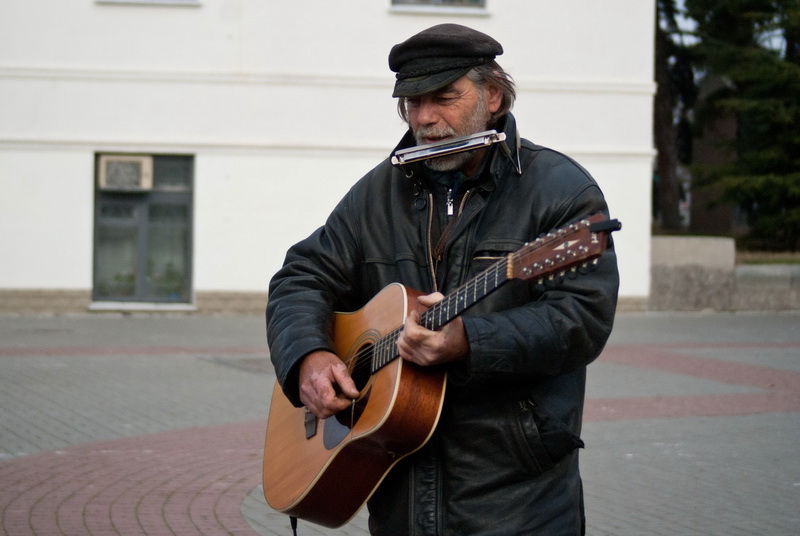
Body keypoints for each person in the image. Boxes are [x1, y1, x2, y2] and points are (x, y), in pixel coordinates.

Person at [266, 23, 619, 535]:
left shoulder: (560, 191)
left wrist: (469, 341)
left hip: (517, 498)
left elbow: (581, 319)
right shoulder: (376, 194)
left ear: (493, 95)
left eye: (444, 97)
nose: (426, 118)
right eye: (412, 102)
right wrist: (308, 358)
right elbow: (302, 276)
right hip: (397, 490)